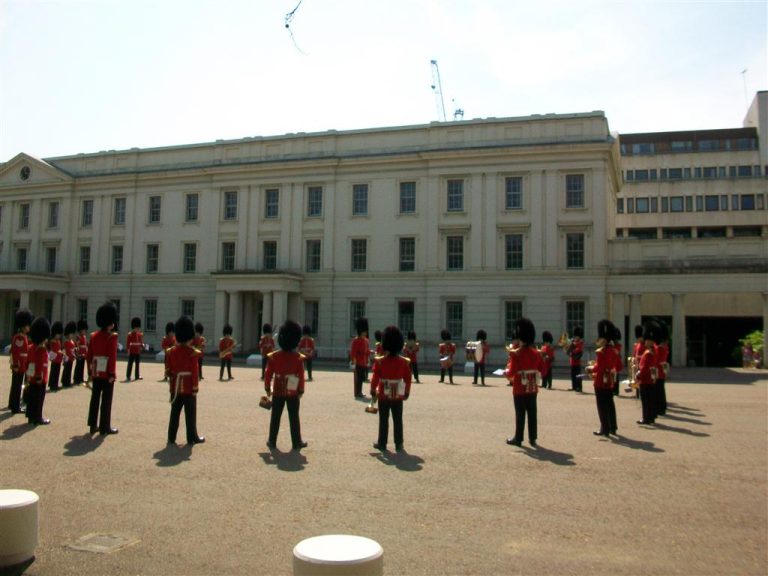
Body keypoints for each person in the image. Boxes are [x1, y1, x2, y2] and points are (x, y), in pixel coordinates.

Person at [264, 320, 307, 451]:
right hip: (292, 390)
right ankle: (296, 441)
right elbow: (301, 376)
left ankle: (272, 440)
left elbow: (268, 373)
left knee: (275, 417)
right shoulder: (298, 358)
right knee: (294, 417)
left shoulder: (274, 356)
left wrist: (267, 387)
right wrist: (301, 390)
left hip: (278, 389)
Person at [371, 325, 412, 452]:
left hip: (384, 392)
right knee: (398, 419)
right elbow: (408, 378)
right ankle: (399, 443)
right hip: (398, 392)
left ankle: (382, 443)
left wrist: (373, 390)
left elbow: (375, 377)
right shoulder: (403, 362)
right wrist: (406, 392)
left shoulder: (381, 361)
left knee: (384, 419)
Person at [506, 318, 545, 447]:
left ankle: (518, 438)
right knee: (532, 413)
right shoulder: (537, 353)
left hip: (519, 388)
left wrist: (506, 373)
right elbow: (543, 371)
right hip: (532, 388)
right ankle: (533, 438)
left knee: (520, 414)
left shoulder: (516, 354)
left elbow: (511, 372)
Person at [167, 315, 205, 445]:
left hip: (176, 387)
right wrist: (195, 387)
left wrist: (171, 387)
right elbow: (194, 372)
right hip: (188, 387)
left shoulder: (172, 351)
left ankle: (171, 437)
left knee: (174, 413)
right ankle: (192, 437)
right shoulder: (192, 352)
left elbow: (170, 371)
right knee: (190, 415)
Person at [87, 302, 119, 436]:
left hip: (95, 372)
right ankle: (105, 426)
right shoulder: (112, 338)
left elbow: (89, 355)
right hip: (106, 373)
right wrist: (112, 373)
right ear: (110, 322)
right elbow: (112, 357)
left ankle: (93, 425)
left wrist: (90, 371)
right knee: (106, 400)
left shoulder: (93, 336)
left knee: (94, 399)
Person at [586, 320, 622, 437]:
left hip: (601, 381)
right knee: (610, 404)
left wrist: (591, 369)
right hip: (610, 381)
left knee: (601, 405)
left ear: (604, 339)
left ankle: (604, 428)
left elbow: (599, 367)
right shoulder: (614, 351)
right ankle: (613, 427)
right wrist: (611, 370)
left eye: (600, 338)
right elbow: (619, 366)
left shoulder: (601, 352)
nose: (599, 340)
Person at [26, 317, 52, 426]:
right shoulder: (41, 349)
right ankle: (38, 417)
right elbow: (40, 365)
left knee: (31, 397)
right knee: (39, 398)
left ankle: (30, 416)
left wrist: (29, 376)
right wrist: (38, 377)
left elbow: (28, 362)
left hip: (31, 376)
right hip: (39, 378)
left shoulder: (30, 347)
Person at [8, 308, 32, 414]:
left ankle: (13, 404)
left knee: (16, 385)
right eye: (27, 326)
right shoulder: (19, 337)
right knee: (17, 386)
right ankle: (15, 406)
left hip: (22, 364)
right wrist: (16, 365)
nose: (28, 327)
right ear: (23, 326)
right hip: (19, 365)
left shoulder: (23, 337)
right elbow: (15, 353)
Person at [636, 320, 660, 426]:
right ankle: (650, 417)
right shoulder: (653, 351)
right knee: (650, 399)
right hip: (651, 378)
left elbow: (645, 367)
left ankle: (646, 418)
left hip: (646, 379)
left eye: (647, 340)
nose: (645, 342)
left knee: (645, 400)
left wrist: (639, 375)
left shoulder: (648, 353)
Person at [349, 317, 369, 398]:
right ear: (360, 331)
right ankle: (358, 392)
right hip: (358, 362)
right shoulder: (356, 340)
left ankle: (359, 391)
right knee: (359, 379)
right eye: (364, 331)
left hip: (363, 361)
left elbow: (366, 350)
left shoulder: (365, 340)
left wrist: (370, 354)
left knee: (362, 378)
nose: (365, 333)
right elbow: (353, 352)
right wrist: (354, 361)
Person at [654, 320, 670, 416]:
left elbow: (656, 360)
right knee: (660, 390)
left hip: (658, 371)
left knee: (658, 391)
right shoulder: (664, 346)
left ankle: (660, 408)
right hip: (661, 370)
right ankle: (661, 407)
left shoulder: (660, 347)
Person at [565, 325, 585, 392]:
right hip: (572, 362)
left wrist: (572, 348)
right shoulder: (573, 343)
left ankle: (579, 387)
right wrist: (569, 346)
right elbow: (568, 351)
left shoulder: (580, 343)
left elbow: (578, 351)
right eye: (575, 336)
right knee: (573, 375)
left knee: (578, 375)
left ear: (579, 337)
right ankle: (574, 386)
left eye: (576, 336)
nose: (575, 338)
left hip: (577, 362)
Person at [125, 317, 145, 381]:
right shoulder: (130, 334)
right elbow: (128, 343)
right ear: (134, 327)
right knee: (130, 364)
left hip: (138, 351)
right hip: (132, 351)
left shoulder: (139, 335)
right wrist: (128, 350)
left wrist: (142, 345)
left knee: (137, 364)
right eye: (137, 328)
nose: (138, 329)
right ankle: (128, 376)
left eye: (138, 328)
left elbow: (140, 342)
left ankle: (137, 375)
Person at [47, 321, 64, 391]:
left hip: (59, 359)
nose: (59, 336)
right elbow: (54, 350)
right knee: (53, 372)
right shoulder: (53, 341)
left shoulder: (58, 341)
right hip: (55, 358)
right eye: (58, 334)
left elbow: (59, 348)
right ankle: (52, 384)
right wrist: (60, 352)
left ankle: (55, 384)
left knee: (57, 372)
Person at [61, 321, 77, 388]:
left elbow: (72, 350)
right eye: (71, 334)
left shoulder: (72, 342)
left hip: (71, 358)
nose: (72, 335)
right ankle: (64, 381)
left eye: (73, 334)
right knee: (66, 370)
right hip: (67, 358)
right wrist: (65, 357)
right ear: (68, 334)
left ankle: (68, 381)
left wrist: (74, 355)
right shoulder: (66, 342)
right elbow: (65, 350)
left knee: (69, 370)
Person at [72, 319, 88, 386]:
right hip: (80, 353)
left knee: (82, 367)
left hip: (84, 354)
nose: (84, 331)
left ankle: (80, 378)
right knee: (78, 367)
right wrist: (78, 354)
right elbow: (77, 345)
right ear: (80, 330)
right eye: (83, 330)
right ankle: (76, 379)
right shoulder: (78, 337)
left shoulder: (84, 337)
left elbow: (85, 345)